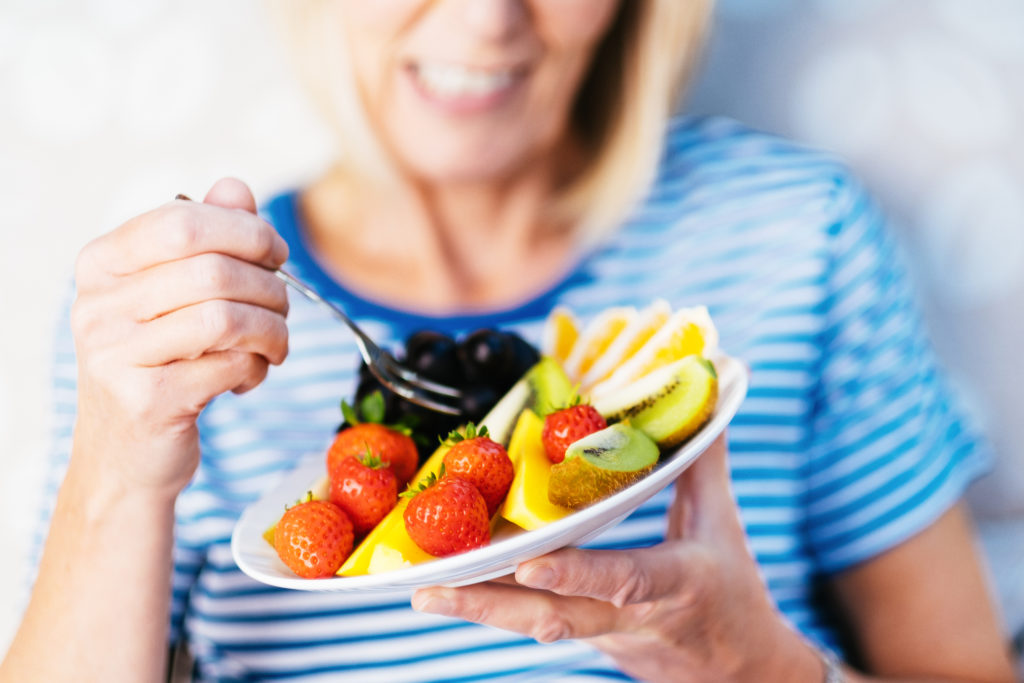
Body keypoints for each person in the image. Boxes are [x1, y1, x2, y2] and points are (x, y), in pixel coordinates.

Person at [1, 1, 1016, 681]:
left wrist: (749, 659)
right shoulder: (177, 326)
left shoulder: (797, 231)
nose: (488, 19)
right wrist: (121, 474)